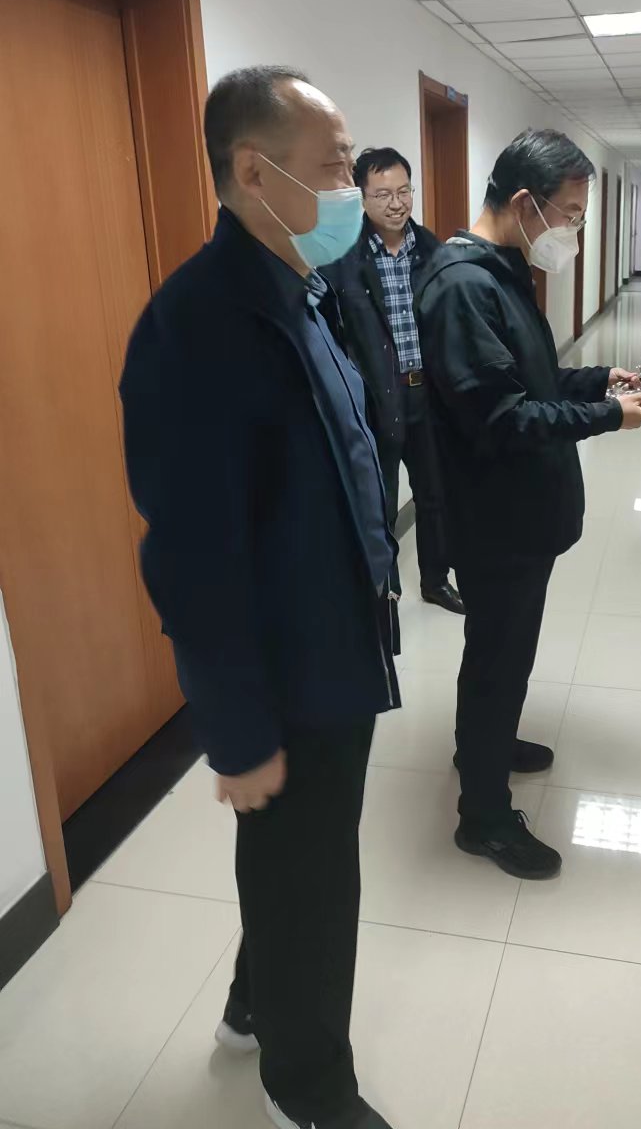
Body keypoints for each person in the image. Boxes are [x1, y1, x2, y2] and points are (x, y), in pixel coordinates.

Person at [120, 66, 398, 1129]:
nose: (353, 190)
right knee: (314, 880)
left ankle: (251, 1002)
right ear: (254, 171)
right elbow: (193, 564)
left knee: (294, 857)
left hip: (337, 640)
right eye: (335, 167)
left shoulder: (304, 289)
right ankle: (309, 1086)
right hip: (290, 672)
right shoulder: (195, 329)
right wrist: (235, 736)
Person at [416, 129, 641, 881]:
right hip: (497, 521)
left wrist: (596, 382)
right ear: (525, 204)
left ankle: (484, 748)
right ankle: (484, 818)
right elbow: (501, 419)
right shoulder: (462, 287)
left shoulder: (502, 272)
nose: (573, 231)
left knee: (506, 653)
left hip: (521, 516)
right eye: (570, 214)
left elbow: (530, 380)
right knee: (497, 658)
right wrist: (607, 417)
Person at [323, 147, 462, 614]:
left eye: (404, 191)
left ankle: (435, 580)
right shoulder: (342, 258)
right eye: (383, 194)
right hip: (375, 397)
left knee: (435, 492)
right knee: (379, 498)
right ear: (362, 198)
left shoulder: (434, 251)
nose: (396, 203)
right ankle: (385, 587)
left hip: (428, 391)